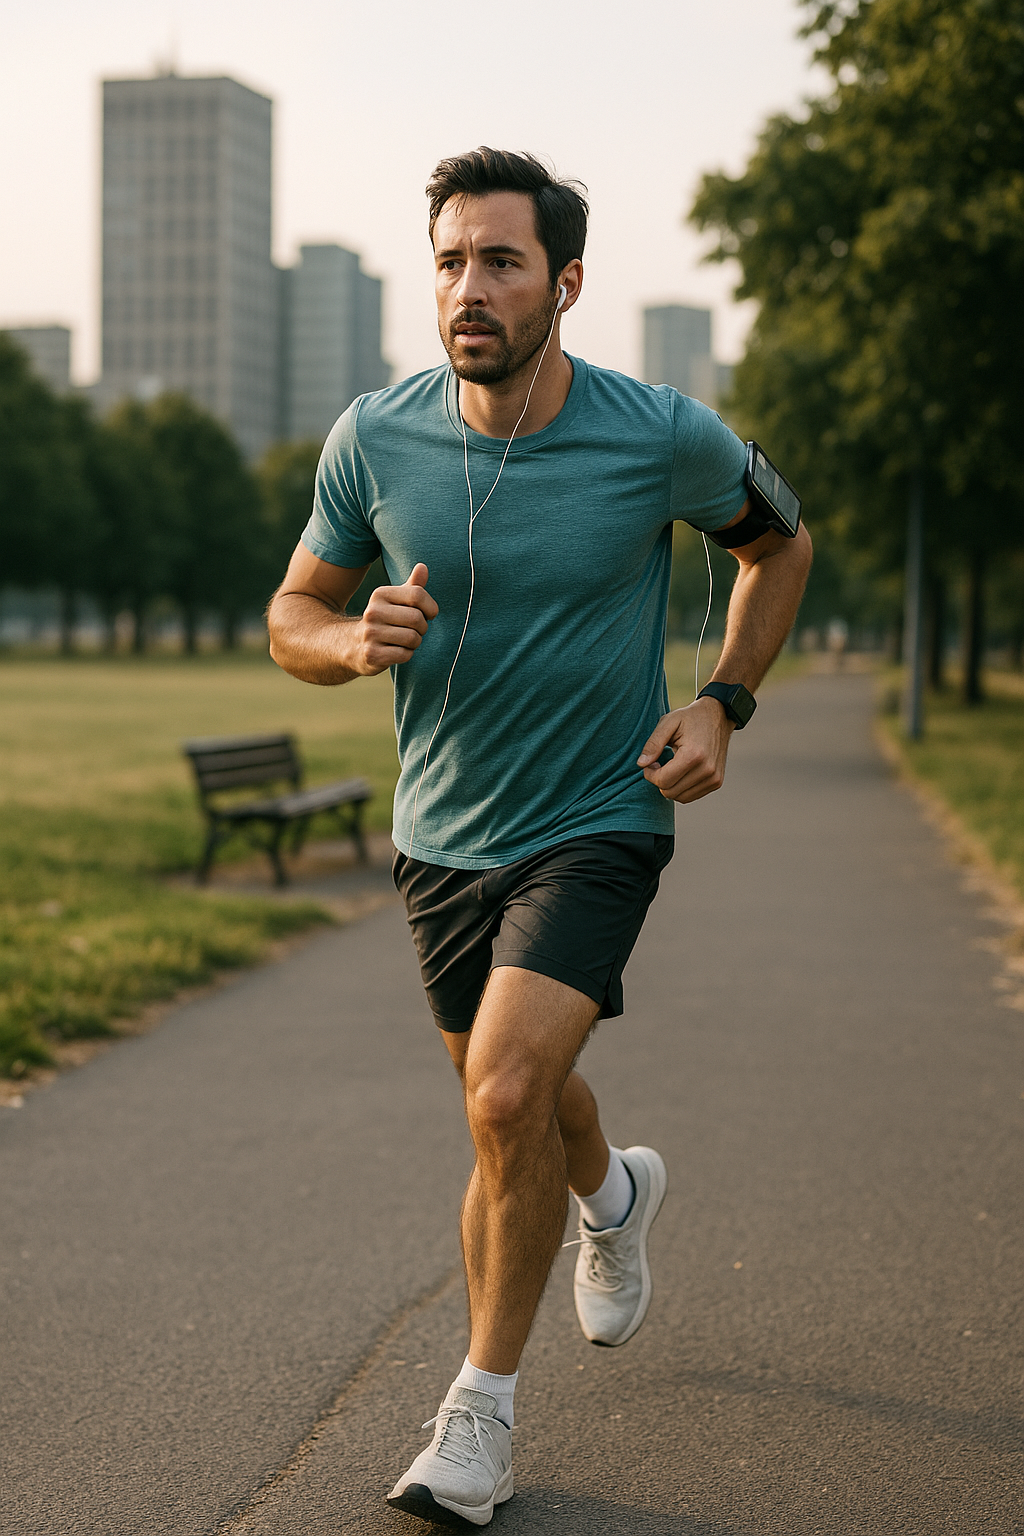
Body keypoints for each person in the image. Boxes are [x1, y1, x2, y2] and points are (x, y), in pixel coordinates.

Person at [267, 147, 812, 1528]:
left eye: (503, 261)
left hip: (601, 813)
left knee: (504, 1096)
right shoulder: (372, 438)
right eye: (451, 259)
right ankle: (617, 1193)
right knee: (509, 1097)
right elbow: (291, 614)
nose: (471, 287)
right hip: (443, 833)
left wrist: (724, 703)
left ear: (566, 283)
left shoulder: (659, 432)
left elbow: (781, 544)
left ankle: (478, 1419)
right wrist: (346, 642)